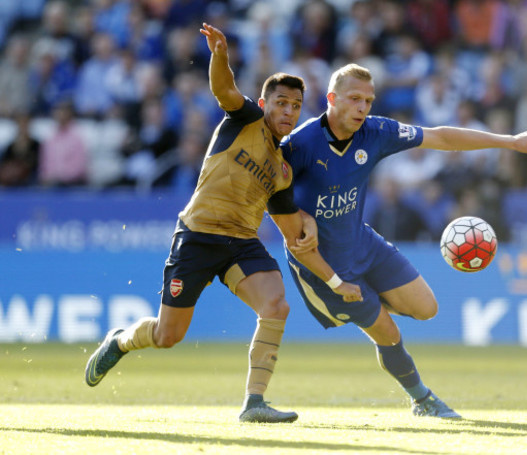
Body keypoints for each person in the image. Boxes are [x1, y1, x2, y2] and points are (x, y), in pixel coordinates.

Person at [85, 24, 361, 424]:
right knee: (168, 336)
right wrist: (219, 55)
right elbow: (223, 90)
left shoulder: (282, 172)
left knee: (276, 305)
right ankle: (120, 341)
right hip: (197, 237)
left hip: (240, 244)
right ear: (265, 103)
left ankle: (254, 403)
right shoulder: (245, 120)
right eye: (281, 103)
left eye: (296, 106)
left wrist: (336, 283)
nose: (288, 112)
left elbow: (295, 237)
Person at [275, 63, 527, 418]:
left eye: (368, 101)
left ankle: (371, 309)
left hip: (362, 242)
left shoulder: (376, 132)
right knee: (387, 333)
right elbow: (271, 197)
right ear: (331, 99)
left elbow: (441, 137)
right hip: (322, 261)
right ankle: (422, 399)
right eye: (354, 99)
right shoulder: (300, 144)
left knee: (427, 308)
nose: (362, 108)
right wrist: (303, 221)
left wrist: (507, 141)